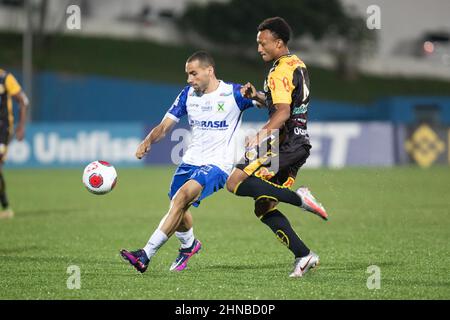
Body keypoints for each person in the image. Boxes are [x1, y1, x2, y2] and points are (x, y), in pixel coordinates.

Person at [120, 51, 255, 273]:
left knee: (182, 198)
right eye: (187, 74)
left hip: (218, 165)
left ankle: (145, 255)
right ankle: (189, 245)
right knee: (177, 205)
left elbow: (266, 101)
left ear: (209, 71)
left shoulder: (233, 93)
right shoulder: (187, 95)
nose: (189, 79)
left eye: (193, 74)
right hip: (191, 161)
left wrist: (257, 96)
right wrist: (148, 140)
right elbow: (164, 126)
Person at [225, 17, 329, 277]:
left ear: (279, 42)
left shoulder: (278, 71)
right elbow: (284, 104)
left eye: (263, 43)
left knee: (235, 182)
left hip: (282, 144)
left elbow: (282, 113)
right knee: (263, 206)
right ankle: (304, 255)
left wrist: (259, 136)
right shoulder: (297, 64)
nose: (259, 48)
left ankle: (300, 199)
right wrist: (258, 97)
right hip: (299, 143)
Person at [0, 69, 29, 219]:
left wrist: (21, 126)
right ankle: (6, 207)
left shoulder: (5, 78)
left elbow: (23, 100)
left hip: (3, 129)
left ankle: (6, 207)